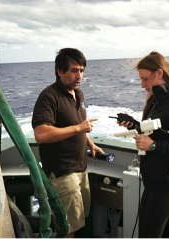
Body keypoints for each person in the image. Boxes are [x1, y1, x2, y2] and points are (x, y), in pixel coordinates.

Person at [118, 51, 169, 238]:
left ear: (159, 73)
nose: (142, 85)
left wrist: (153, 146)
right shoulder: (159, 101)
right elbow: (162, 134)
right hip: (162, 183)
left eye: (145, 79)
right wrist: (136, 126)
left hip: (164, 187)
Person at [32, 48, 104, 238]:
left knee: (78, 219)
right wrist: (79, 129)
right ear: (60, 71)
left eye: (81, 70)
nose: (78, 75)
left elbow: (76, 125)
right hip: (62, 172)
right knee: (68, 228)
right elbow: (41, 134)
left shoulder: (78, 94)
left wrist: (90, 143)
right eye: (74, 70)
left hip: (81, 168)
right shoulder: (49, 97)